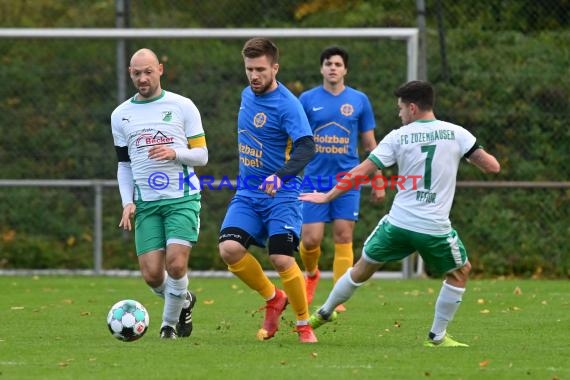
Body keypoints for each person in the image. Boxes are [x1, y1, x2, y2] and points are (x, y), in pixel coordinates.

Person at [300, 80, 500, 347]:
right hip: (433, 228)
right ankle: (437, 336)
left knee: (361, 269)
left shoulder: (398, 136)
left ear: (413, 108)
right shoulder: (456, 133)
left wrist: (327, 196)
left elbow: (361, 172)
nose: (400, 114)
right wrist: (470, 156)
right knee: (460, 271)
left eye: (401, 109)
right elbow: (492, 167)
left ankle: (324, 312)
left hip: (397, 224)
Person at [218, 37, 318, 343]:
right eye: (249, 69)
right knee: (229, 249)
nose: (254, 75)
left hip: (283, 195)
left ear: (275, 67)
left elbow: (306, 147)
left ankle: (304, 325)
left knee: (281, 258)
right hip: (248, 193)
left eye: (261, 69)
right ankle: (273, 297)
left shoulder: (288, 105)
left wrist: (280, 176)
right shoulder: (246, 95)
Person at [111, 48, 207, 339]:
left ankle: (168, 326)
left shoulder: (183, 106)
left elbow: (202, 156)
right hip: (146, 204)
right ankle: (184, 299)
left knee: (176, 264)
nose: (142, 78)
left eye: (148, 71)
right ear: (130, 73)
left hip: (182, 198)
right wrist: (127, 202)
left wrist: (174, 153)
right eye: (137, 73)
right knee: (153, 275)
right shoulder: (120, 115)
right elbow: (124, 165)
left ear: (160, 70)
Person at [298, 46, 385, 312]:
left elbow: (370, 143)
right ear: (321, 68)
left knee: (343, 234)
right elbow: (297, 138)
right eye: (328, 63)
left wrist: (378, 178)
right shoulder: (307, 99)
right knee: (311, 239)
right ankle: (311, 274)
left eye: (337, 64)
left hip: (348, 180)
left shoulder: (359, 100)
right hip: (314, 179)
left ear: (345, 69)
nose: (333, 68)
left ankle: (337, 296)